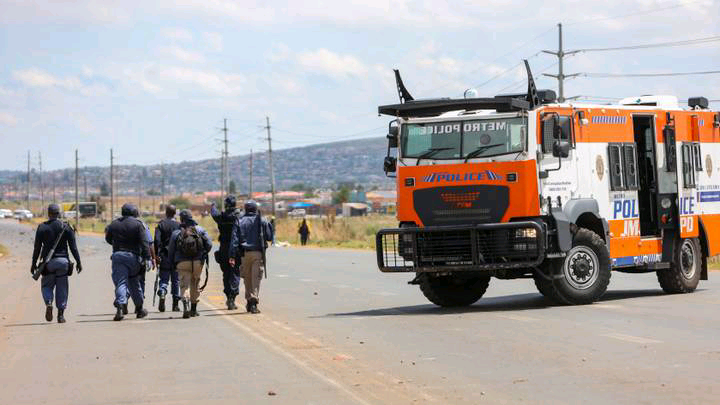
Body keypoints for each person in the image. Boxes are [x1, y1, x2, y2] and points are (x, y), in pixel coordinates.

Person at [30, 204, 82, 323]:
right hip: (63, 263)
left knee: (47, 286)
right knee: (62, 288)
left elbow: (37, 247)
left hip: (48, 263)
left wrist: (33, 263)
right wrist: (79, 262)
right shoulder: (66, 227)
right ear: (59, 214)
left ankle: (48, 302)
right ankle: (60, 315)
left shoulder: (42, 227)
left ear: (48, 214)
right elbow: (73, 248)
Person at [105, 203, 151, 321]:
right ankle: (139, 309)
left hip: (118, 256)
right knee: (134, 283)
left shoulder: (114, 224)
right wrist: (147, 258)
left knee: (121, 283)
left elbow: (108, 239)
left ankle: (120, 308)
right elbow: (144, 243)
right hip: (133, 257)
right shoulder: (138, 224)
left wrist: (118, 245)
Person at [229, 200, 273, 314]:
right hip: (258, 253)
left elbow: (234, 240)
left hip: (244, 254)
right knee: (255, 279)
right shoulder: (262, 220)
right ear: (255, 209)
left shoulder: (239, 220)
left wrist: (232, 255)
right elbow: (269, 236)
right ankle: (253, 302)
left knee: (247, 279)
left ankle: (249, 300)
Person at [167, 209, 212, 319]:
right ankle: (193, 309)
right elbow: (209, 244)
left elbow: (171, 250)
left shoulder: (176, 233)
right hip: (197, 262)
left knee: (184, 284)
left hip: (182, 262)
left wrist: (172, 263)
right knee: (195, 283)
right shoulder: (200, 230)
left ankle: (186, 306)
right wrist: (203, 254)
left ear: (181, 219)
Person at [210, 196, 242, 310]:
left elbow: (214, 213)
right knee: (235, 273)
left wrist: (213, 205)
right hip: (236, 249)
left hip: (224, 248)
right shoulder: (238, 217)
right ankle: (232, 298)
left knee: (226, 274)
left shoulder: (221, 217)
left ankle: (229, 297)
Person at [154, 205, 181, 312]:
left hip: (164, 256)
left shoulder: (161, 225)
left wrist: (156, 255)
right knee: (176, 281)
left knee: (164, 279)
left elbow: (157, 241)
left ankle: (162, 292)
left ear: (166, 212)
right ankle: (175, 305)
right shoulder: (179, 225)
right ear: (175, 213)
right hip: (176, 258)